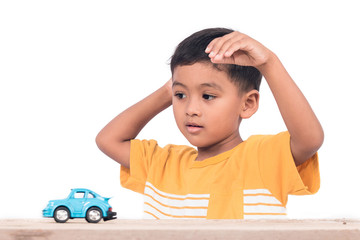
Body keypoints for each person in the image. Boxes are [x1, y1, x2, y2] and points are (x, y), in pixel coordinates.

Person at [96, 28, 324, 219]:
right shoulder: (162, 164)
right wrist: (170, 89)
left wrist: (269, 63)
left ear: (247, 104)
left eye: (207, 96)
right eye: (181, 96)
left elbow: (309, 139)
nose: (191, 110)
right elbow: (108, 139)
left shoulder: (262, 158)